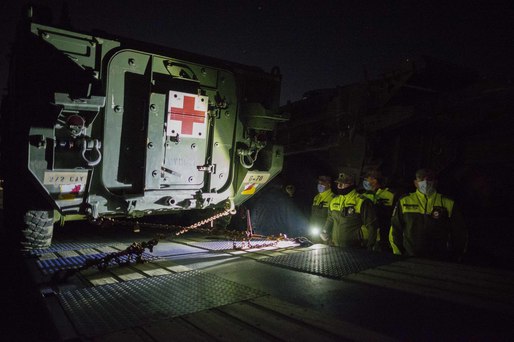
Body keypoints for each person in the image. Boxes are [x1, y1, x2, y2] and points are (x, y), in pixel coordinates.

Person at [389, 168, 468, 261]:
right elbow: (395, 229)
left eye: (429, 179)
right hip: (410, 258)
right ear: (415, 183)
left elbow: (459, 232)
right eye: (421, 179)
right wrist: (398, 254)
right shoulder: (404, 201)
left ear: (435, 182)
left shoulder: (448, 202)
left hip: (439, 260)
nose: (425, 182)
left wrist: (455, 257)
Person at [321, 172, 378, 249]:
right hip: (336, 246)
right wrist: (325, 231)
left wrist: (370, 247)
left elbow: (372, 226)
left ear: (351, 184)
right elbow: (330, 218)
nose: (339, 186)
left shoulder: (362, 201)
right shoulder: (334, 201)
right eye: (338, 183)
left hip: (356, 248)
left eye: (343, 183)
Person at [361, 169, 396, 252]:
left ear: (374, 180)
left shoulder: (390, 195)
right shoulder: (363, 195)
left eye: (366, 179)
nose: (364, 182)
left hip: (383, 235)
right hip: (366, 235)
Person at [309, 175, 335, 241]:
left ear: (329, 184)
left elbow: (333, 218)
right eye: (319, 183)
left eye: (322, 183)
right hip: (314, 232)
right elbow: (313, 215)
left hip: (325, 234)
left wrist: (327, 232)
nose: (320, 185)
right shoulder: (316, 197)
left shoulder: (333, 198)